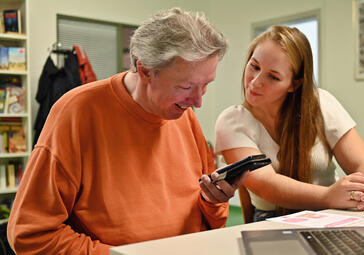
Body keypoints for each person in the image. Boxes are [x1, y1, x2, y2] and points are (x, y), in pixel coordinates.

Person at [8, 8, 247, 254]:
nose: (198, 102)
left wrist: (213, 201)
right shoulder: (76, 112)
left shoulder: (183, 114)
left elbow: (211, 220)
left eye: (206, 85)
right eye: (186, 86)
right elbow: (31, 234)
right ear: (144, 70)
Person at [215, 26, 364, 222]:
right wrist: (328, 196)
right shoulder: (231, 121)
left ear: (294, 84)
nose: (255, 82)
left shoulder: (322, 102)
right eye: (254, 66)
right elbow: (266, 184)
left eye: (273, 76)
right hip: (272, 219)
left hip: (332, 212)